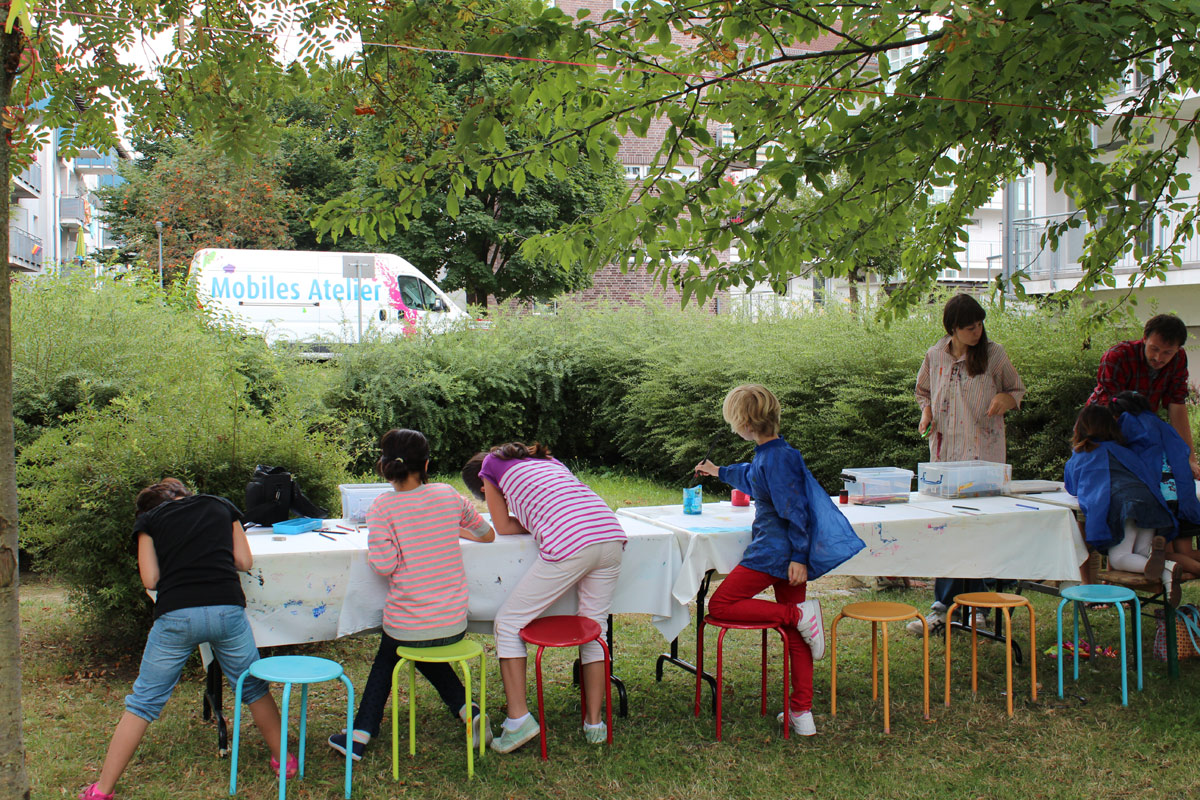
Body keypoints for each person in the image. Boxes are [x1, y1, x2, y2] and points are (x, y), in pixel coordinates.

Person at [79, 479, 290, 800]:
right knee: (253, 687)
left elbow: (150, 579)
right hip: (226, 609)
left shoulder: (149, 521)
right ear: (185, 493)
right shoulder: (220, 505)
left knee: (143, 702)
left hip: (176, 615)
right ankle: (285, 762)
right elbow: (245, 562)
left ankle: (101, 790)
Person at [694, 384, 865, 737]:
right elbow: (753, 476)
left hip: (775, 554)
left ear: (744, 423)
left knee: (721, 605)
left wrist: (800, 557)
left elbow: (795, 510)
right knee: (796, 633)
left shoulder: (777, 458)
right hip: (783, 555)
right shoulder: (773, 453)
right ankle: (801, 713)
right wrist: (718, 471)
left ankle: (799, 615)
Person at [328, 429, 495, 762]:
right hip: (452, 622)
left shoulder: (381, 508)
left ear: (385, 466)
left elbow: (385, 565)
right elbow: (486, 534)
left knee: (390, 655)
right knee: (416, 649)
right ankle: (467, 710)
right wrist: (448, 527)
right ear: (427, 464)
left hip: (408, 623)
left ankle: (360, 734)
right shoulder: (449, 496)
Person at [461, 441, 626, 752]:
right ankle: (594, 725)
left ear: (481, 487)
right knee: (595, 627)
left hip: (573, 544)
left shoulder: (489, 470)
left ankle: (518, 721)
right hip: (610, 534)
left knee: (508, 623)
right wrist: (543, 518)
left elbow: (503, 527)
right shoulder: (546, 458)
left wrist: (538, 523)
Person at [910, 293, 1025, 634]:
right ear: (953, 329)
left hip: (983, 457)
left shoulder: (994, 354)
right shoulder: (935, 356)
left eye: (980, 324)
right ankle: (942, 607)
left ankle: (977, 605)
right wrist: (926, 411)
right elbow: (922, 392)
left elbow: (1017, 389)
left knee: (977, 530)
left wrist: (1006, 399)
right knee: (947, 530)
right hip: (945, 457)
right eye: (969, 327)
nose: (977, 331)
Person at [1064, 404, 1199, 606]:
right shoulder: (1124, 451)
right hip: (1150, 505)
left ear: (1080, 428)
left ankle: (1167, 568)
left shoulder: (1081, 455)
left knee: (1120, 558)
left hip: (1123, 506)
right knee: (1143, 554)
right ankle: (1169, 580)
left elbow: (1072, 487)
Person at [1088, 313, 1200, 480]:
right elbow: (1109, 408)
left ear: (1178, 349)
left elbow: (1177, 405)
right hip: (1100, 426)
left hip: (1141, 429)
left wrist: (1189, 459)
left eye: (1167, 352)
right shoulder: (1118, 356)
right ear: (1145, 338)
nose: (1158, 358)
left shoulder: (1178, 359)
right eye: (1154, 348)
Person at [1108, 391, 1200, 586]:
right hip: (1185, 496)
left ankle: (1186, 572)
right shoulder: (1162, 425)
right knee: (1187, 552)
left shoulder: (1127, 423)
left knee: (1165, 555)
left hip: (1161, 500)